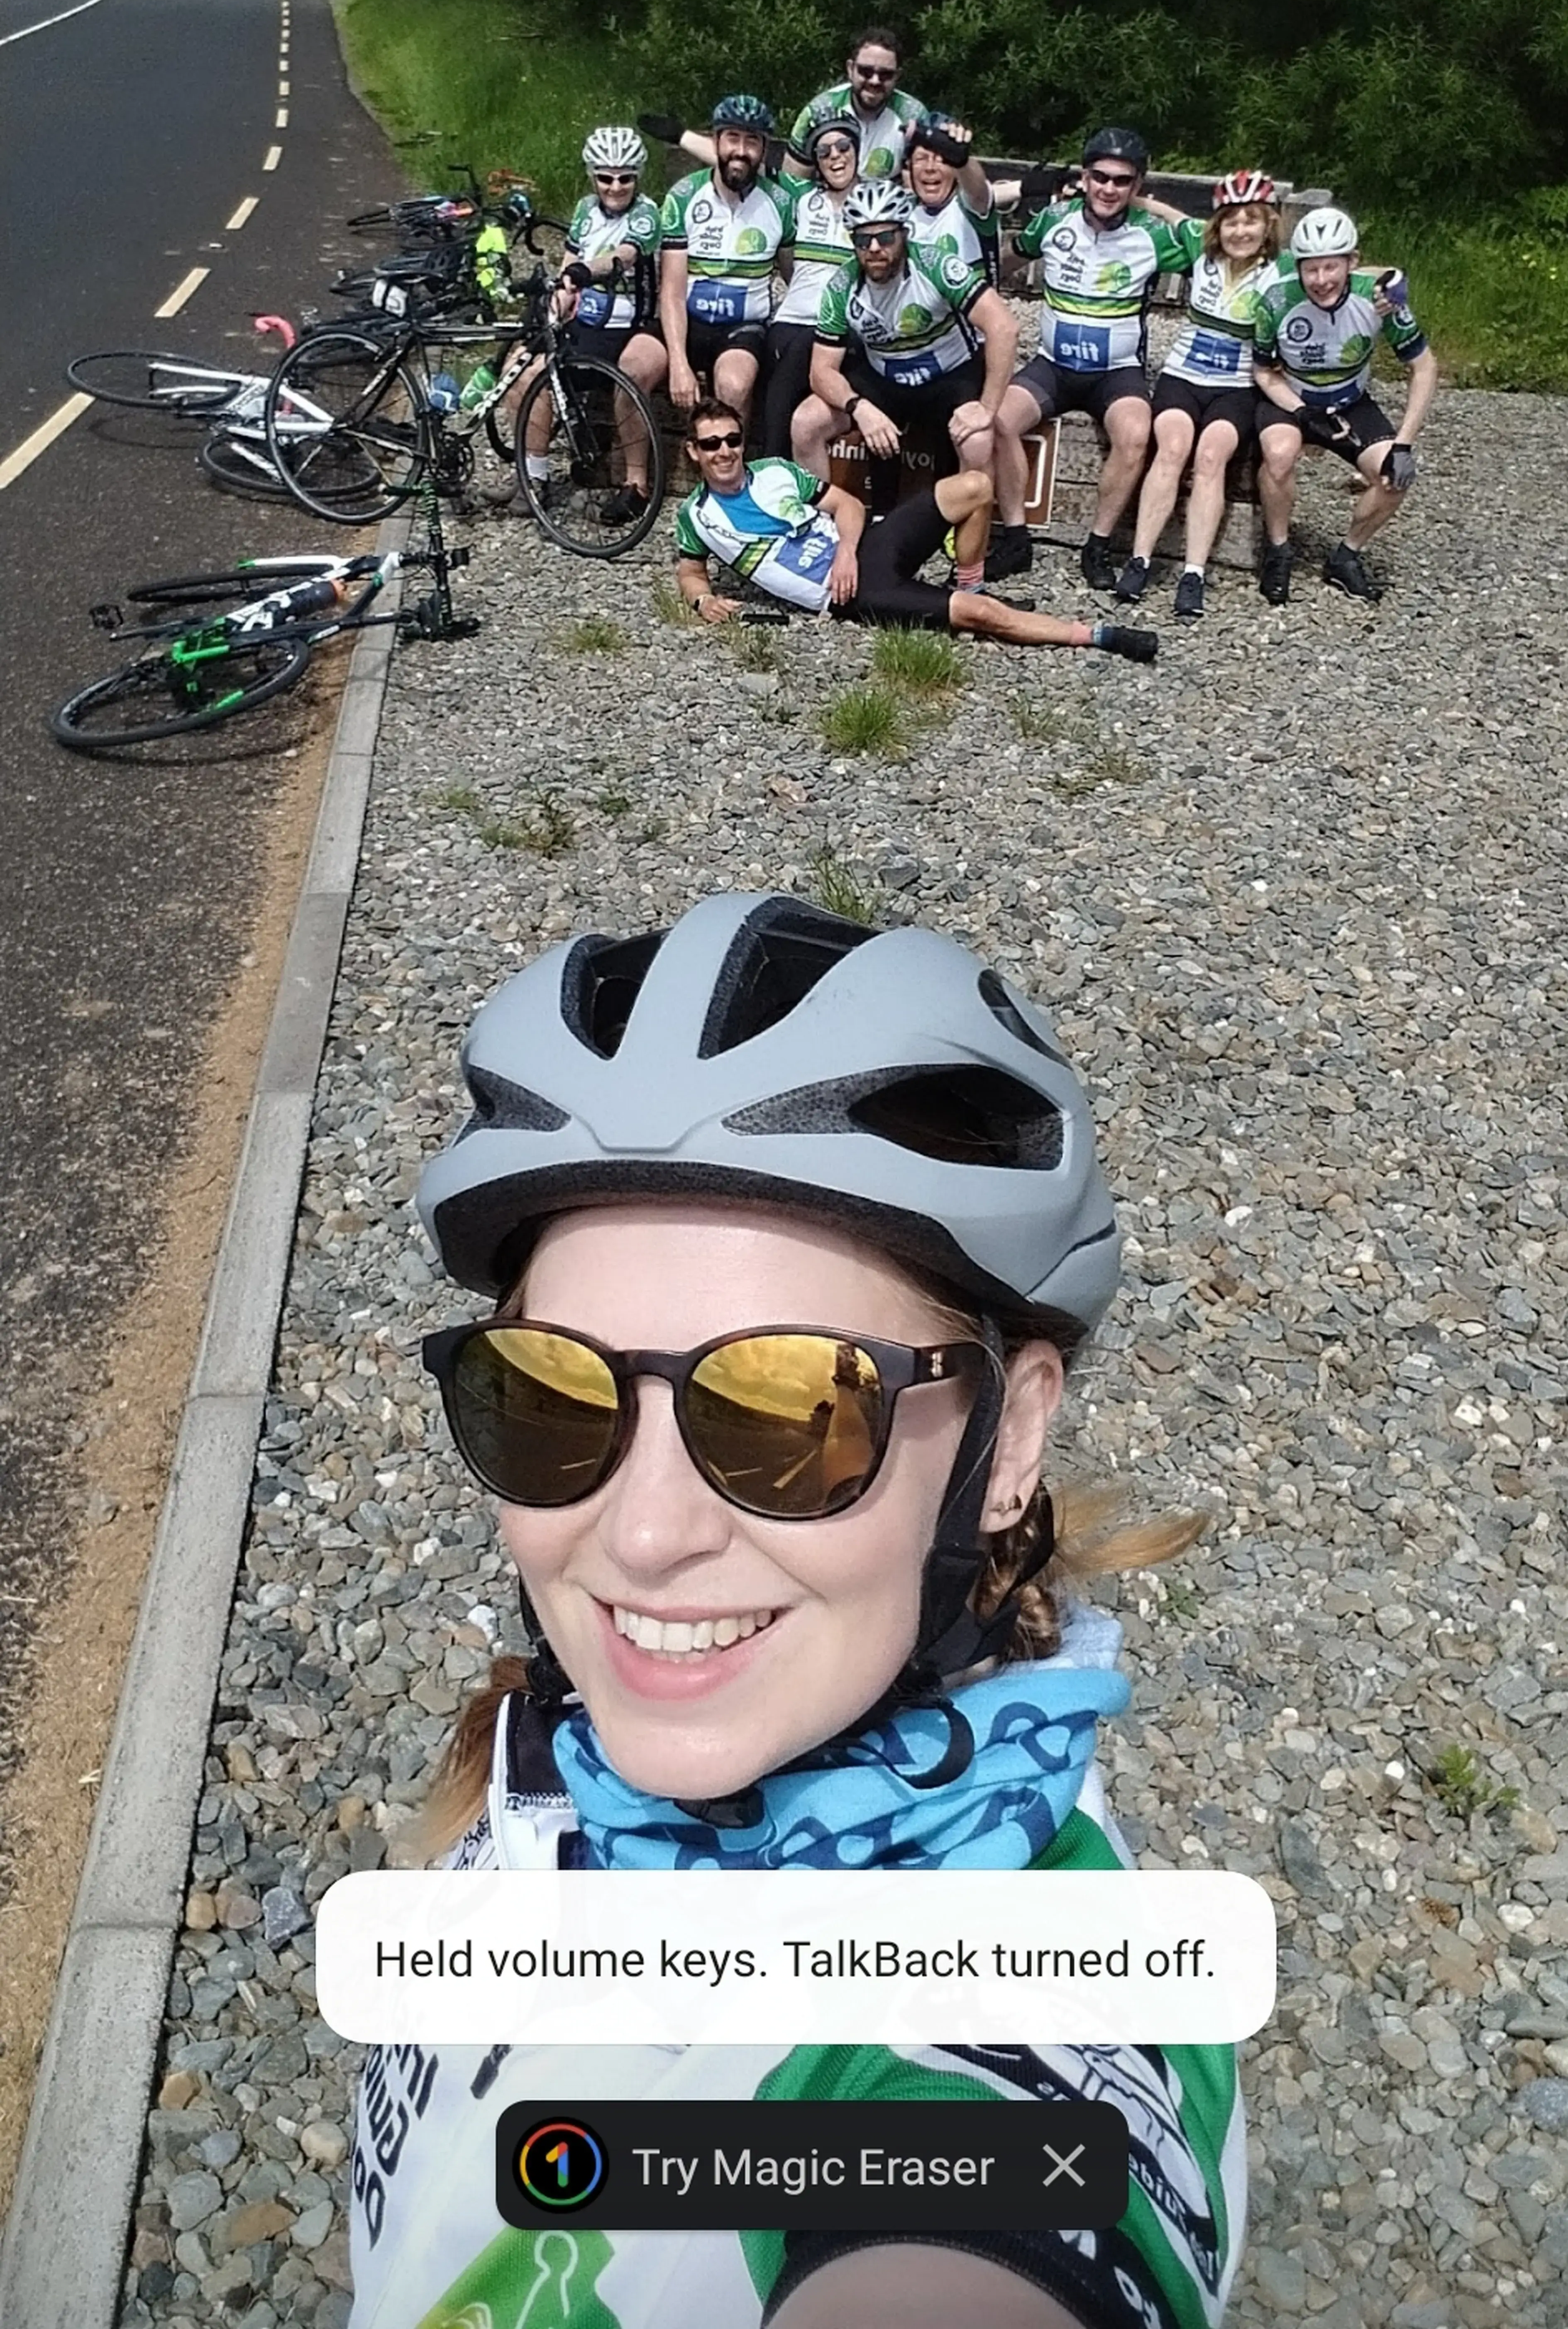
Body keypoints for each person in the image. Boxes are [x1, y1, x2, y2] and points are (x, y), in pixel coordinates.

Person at [349, 893, 1246, 2329]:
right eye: (551, 1398)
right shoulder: (554, 1762)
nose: (641, 1532)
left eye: (788, 1410)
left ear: (1008, 1441)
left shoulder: (1005, 2015)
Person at [672, 396, 1157, 657]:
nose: (725, 451)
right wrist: (702, 599)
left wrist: (845, 551)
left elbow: (848, 505)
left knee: (973, 487)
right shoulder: (697, 515)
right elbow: (690, 568)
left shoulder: (776, 470)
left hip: (862, 551)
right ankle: (1097, 636)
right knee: (981, 616)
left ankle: (970, 578)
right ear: (694, 451)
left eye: (732, 439)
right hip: (850, 596)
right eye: (711, 444)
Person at [994, 128, 1192, 593]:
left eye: (1123, 181)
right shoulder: (1054, 220)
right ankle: (1016, 538)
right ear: (1084, 177)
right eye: (1099, 177)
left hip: (1115, 373)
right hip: (1052, 367)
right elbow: (1006, 263)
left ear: (1137, 185)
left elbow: (1215, 254)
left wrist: (1157, 208)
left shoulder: (1152, 235)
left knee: (1136, 436)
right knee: (999, 421)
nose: (1109, 188)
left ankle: (1098, 544)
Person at [1114, 171, 1284, 622]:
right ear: (1217, 226)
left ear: (1269, 225)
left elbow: (1343, 270)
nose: (1241, 230)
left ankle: (1193, 573)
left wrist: (1386, 284)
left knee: (1211, 459)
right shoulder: (1202, 252)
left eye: (1252, 220)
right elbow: (1172, 216)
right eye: (1231, 221)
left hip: (1236, 387)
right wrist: (1134, 199)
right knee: (1170, 449)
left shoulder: (1282, 270)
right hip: (1183, 375)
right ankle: (1140, 560)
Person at [791, 182, 1017, 520]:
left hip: (950, 373)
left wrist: (987, 408)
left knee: (978, 441)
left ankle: (967, 547)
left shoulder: (936, 265)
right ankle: (820, 526)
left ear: (905, 233)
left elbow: (1004, 327)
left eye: (885, 237)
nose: (875, 249)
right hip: (885, 376)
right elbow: (821, 371)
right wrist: (860, 409)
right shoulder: (842, 286)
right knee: (806, 423)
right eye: (862, 240)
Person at [1251, 208, 1438, 604]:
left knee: (1394, 477)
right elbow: (1264, 372)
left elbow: (1424, 367)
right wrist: (1302, 414)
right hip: (1292, 398)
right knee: (1280, 455)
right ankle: (1279, 548)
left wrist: (1404, 443)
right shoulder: (1277, 301)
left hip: (1350, 401)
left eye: (1331, 268)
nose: (1321, 281)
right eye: (1311, 270)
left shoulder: (1380, 299)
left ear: (1351, 263)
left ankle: (1347, 554)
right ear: (1298, 268)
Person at [516, 126, 665, 525]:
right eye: (606, 178)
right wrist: (559, 301)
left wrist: (587, 271)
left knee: (630, 377)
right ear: (592, 177)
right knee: (524, 370)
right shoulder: (585, 210)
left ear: (638, 177)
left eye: (625, 178)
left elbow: (624, 257)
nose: (616, 187)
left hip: (638, 324)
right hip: (589, 322)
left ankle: (637, 485)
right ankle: (535, 478)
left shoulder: (648, 213)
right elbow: (570, 264)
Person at [658, 95, 799, 427]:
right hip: (689, 321)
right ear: (716, 141)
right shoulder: (683, 196)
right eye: (733, 138)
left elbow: (795, 278)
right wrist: (678, 362)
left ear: (764, 149)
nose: (741, 150)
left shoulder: (781, 202)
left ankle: (730, 470)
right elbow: (672, 292)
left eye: (752, 141)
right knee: (638, 364)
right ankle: (632, 475)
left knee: (734, 385)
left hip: (743, 328)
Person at [759, 111, 861, 458]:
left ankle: (771, 464)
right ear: (815, 162)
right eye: (824, 151)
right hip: (791, 319)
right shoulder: (802, 197)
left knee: (799, 355)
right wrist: (681, 135)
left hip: (841, 328)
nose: (836, 156)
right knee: (780, 352)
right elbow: (741, 157)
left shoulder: (879, 199)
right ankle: (773, 467)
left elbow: (957, 194)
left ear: (857, 149)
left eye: (843, 146)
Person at [786, 24, 928, 180]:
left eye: (886, 74)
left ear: (897, 76)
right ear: (850, 69)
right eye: (866, 72)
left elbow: (921, 186)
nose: (875, 81)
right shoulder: (818, 111)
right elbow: (794, 181)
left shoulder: (914, 115)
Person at [903, 114, 999, 280]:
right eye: (921, 159)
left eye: (942, 160)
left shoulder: (969, 206)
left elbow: (978, 190)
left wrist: (962, 160)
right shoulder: (901, 213)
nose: (930, 168)